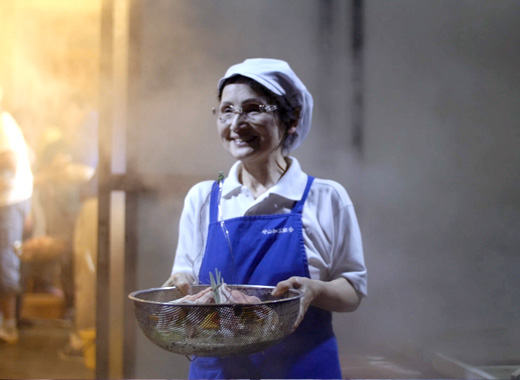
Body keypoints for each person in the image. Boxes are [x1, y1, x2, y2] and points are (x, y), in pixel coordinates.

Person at [163, 58, 367, 379]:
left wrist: (314, 290)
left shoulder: (325, 197)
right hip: (218, 371)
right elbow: (184, 276)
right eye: (226, 110)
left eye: (253, 108)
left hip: (300, 370)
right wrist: (181, 285)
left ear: (293, 119)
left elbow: (352, 290)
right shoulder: (203, 199)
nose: (236, 123)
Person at [0, 89, 33, 344]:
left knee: (5, 261)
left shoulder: (1, 121)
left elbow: (9, 164)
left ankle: (8, 327)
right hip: (11, 202)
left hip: (8, 203)